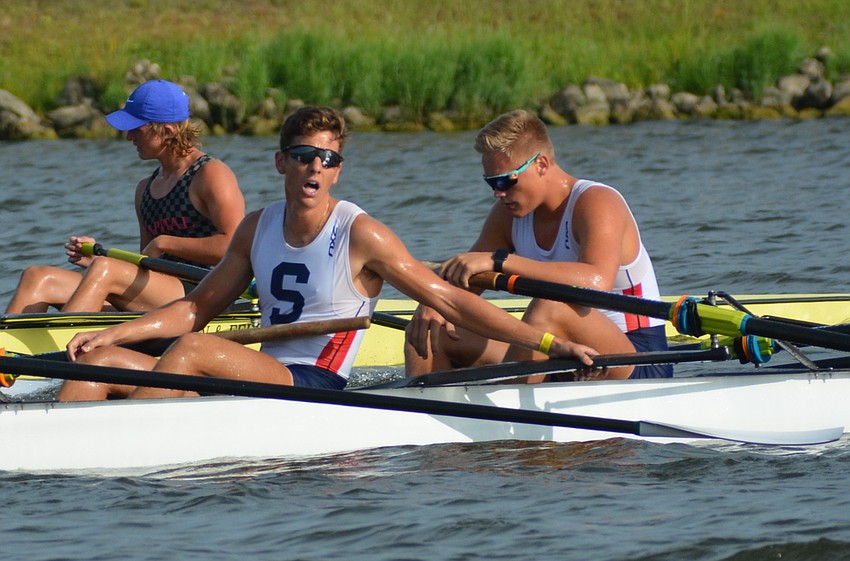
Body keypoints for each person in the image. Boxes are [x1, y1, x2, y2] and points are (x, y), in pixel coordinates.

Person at [57, 106, 598, 401]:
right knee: (98, 362)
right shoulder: (255, 228)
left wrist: (547, 341)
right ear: (280, 163)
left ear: (337, 169)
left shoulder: (361, 233)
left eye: (328, 159)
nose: (316, 168)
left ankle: (140, 464)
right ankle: (57, 470)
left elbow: (451, 303)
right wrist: (114, 333)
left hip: (313, 384)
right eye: (304, 156)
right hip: (257, 367)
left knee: (193, 350)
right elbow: (197, 308)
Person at [404, 109, 671, 380]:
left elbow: (598, 281)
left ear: (541, 164)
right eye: (491, 183)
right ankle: (419, 412)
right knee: (430, 326)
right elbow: (461, 284)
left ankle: (504, 408)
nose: (499, 193)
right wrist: (435, 301)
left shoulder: (597, 202)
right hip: (562, 350)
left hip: (639, 357)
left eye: (505, 181)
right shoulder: (506, 215)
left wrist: (500, 262)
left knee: (550, 305)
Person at [5, 79, 245, 314]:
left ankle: (67, 349)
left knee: (105, 270)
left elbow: (235, 246)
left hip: (206, 292)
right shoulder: (145, 189)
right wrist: (94, 263)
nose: (129, 137)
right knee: (38, 277)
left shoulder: (210, 174)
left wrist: (164, 242)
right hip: (159, 292)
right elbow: (146, 261)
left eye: (137, 129)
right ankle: (10, 350)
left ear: (167, 131)